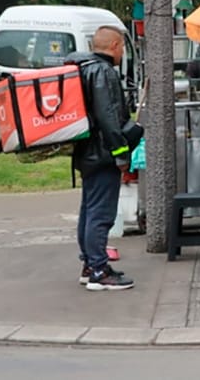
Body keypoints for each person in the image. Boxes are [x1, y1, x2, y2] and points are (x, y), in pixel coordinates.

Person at [67, 26, 135, 291]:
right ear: (116, 45)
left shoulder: (83, 67)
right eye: (123, 48)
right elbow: (109, 116)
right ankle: (98, 270)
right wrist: (121, 153)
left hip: (86, 150)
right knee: (101, 213)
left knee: (89, 208)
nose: (123, 53)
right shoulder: (103, 72)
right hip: (103, 153)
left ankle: (89, 264)